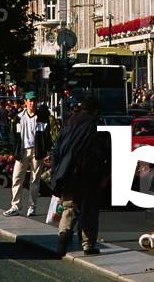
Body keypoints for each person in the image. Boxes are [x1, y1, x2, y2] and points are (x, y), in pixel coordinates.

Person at [50, 95, 109, 257]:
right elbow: (105, 152)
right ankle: (88, 244)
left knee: (69, 207)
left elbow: (57, 150)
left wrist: (56, 171)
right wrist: (105, 173)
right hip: (90, 174)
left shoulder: (69, 123)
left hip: (69, 173)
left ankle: (63, 233)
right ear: (95, 109)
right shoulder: (97, 125)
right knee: (89, 210)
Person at [3, 92, 51, 217]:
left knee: (34, 181)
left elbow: (47, 136)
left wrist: (46, 150)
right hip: (22, 151)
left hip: (37, 151)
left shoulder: (42, 117)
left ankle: (32, 207)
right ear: (26, 102)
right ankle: (16, 206)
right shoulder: (19, 117)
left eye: (34, 101)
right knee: (17, 178)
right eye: (30, 101)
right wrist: (14, 151)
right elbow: (13, 136)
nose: (32, 103)